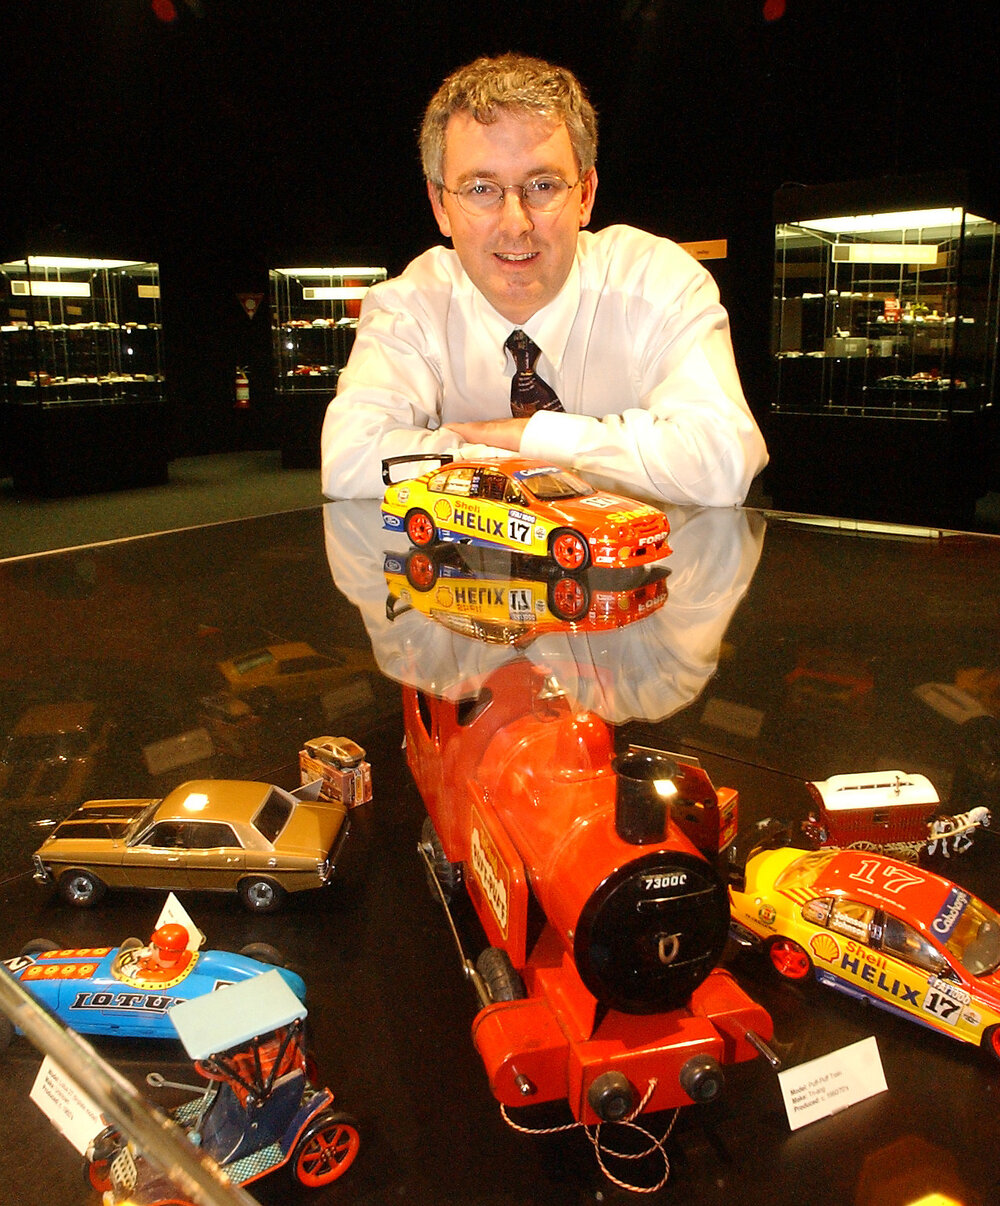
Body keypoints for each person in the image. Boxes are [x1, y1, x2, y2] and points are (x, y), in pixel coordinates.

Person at [321, 53, 767, 507]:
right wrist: (510, 461)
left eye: (543, 186)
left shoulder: (657, 282)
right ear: (440, 205)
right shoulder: (411, 305)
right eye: (480, 189)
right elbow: (349, 463)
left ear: (585, 196)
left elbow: (725, 461)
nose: (516, 224)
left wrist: (536, 437)